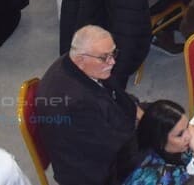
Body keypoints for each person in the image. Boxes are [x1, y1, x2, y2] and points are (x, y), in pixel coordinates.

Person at [35, 25, 141, 185]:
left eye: (113, 53)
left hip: (104, 132)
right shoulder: (75, 104)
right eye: (105, 57)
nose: (112, 61)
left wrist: (137, 111)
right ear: (81, 60)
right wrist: (151, 137)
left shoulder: (78, 62)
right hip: (94, 172)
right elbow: (115, 148)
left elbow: (115, 91)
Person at [124, 99, 194, 185]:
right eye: (180, 134)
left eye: (187, 126)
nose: (189, 136)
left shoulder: (150, 148)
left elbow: (180, 158)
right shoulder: (166, 176)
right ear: (161, 141)